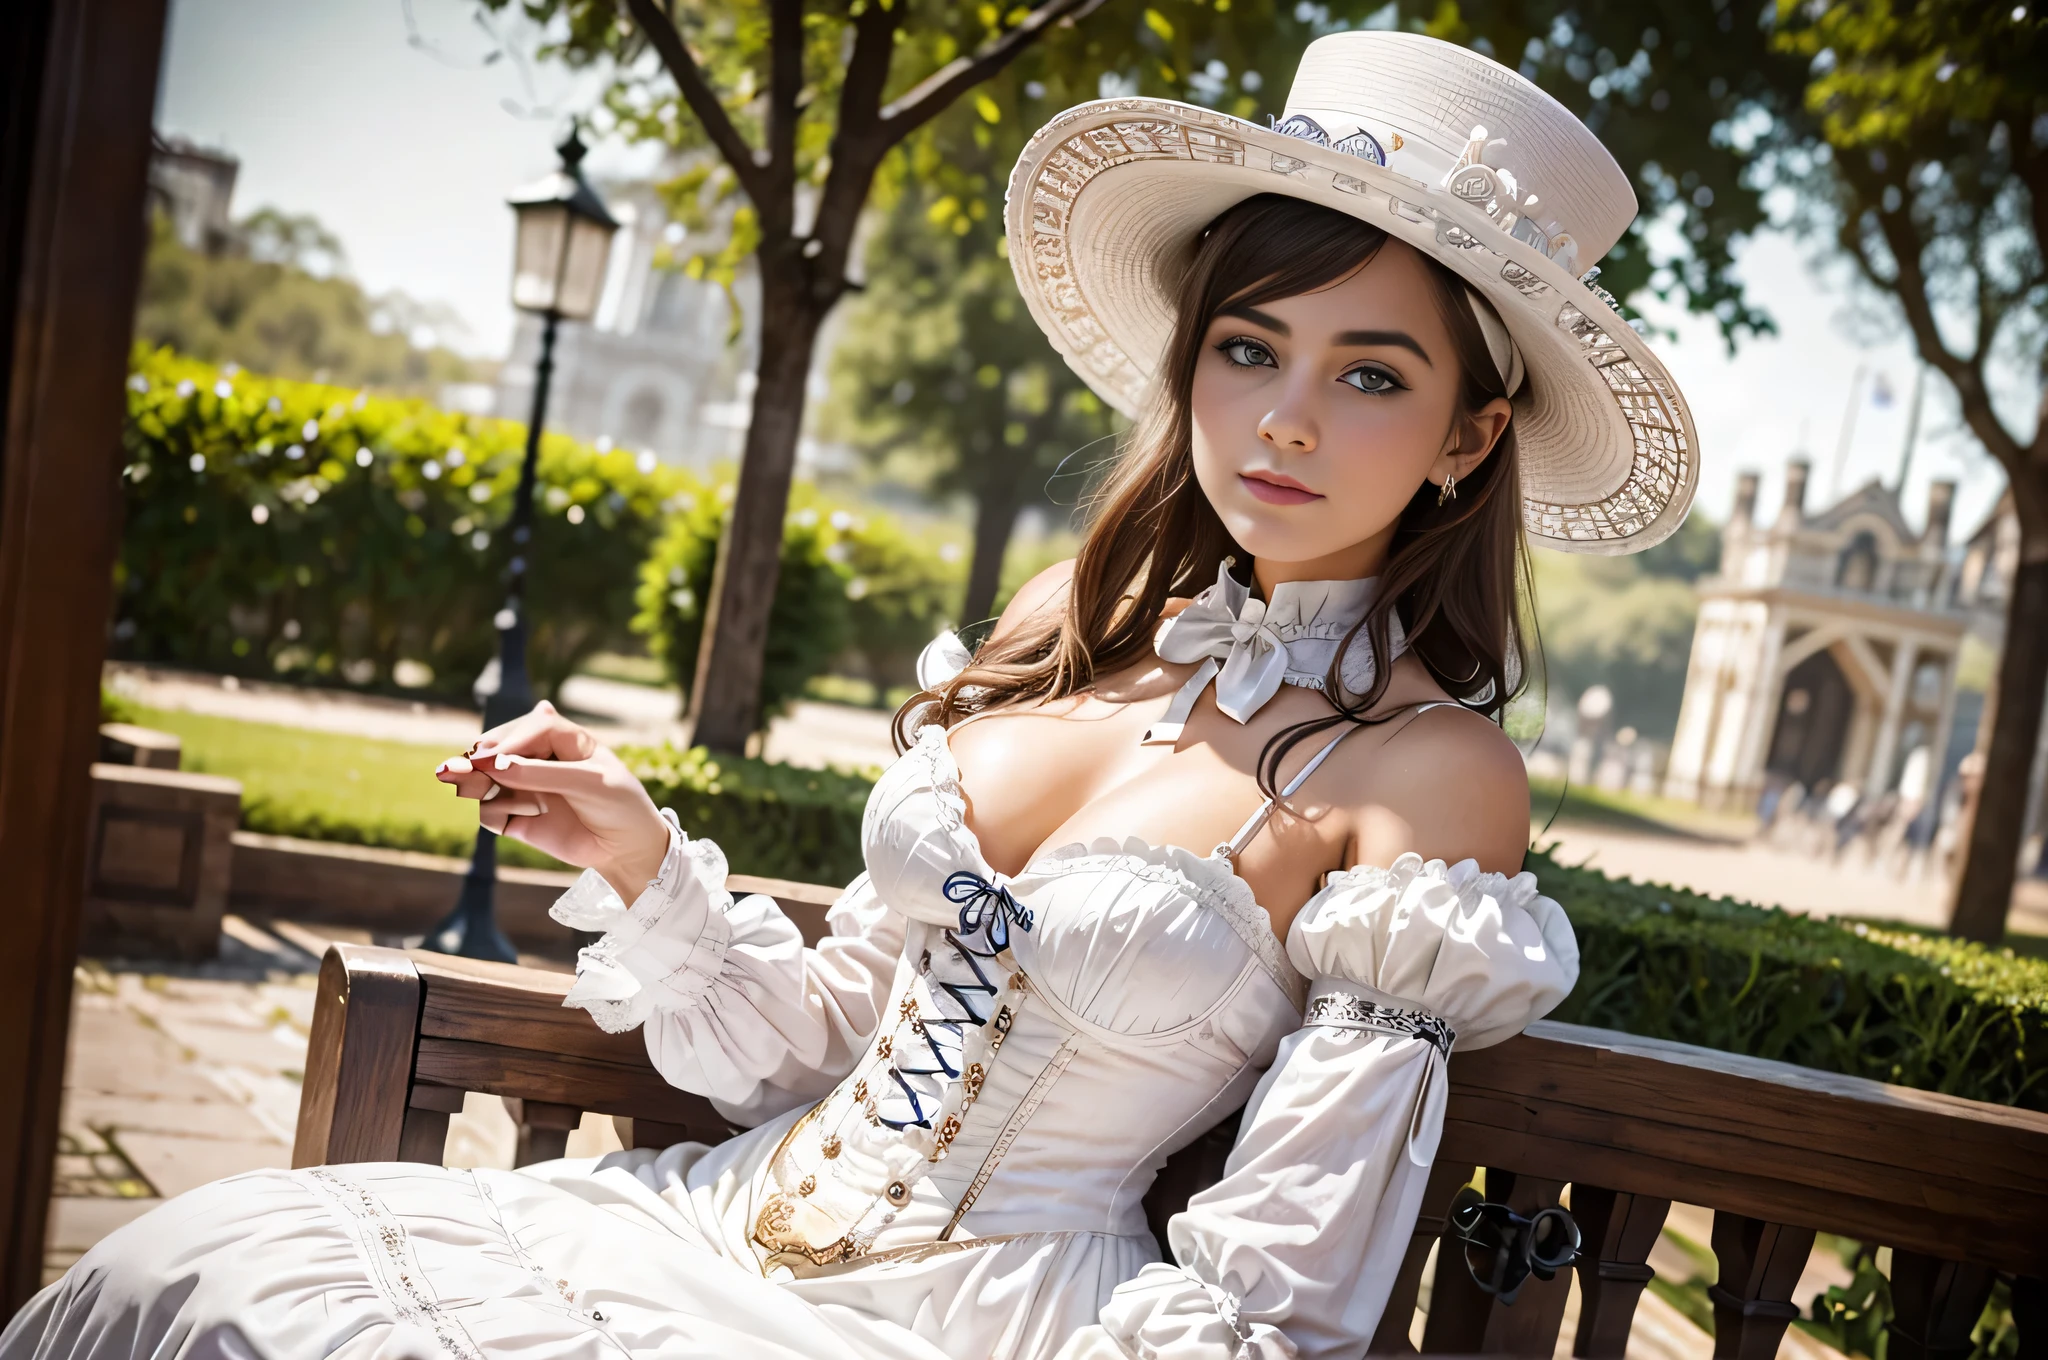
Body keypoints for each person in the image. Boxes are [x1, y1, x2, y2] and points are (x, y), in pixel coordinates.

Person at [7, 29, 1699, 1360]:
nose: (1284, 422)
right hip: (702, 1231)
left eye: (1373, 374)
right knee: (196, 1279)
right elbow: (823, 1046)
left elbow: (1281, 1295)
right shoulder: (1073, 615)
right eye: (1250, 347)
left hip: (997, 1327)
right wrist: (640, 857)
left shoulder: (1432, 774)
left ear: (1474, 435)